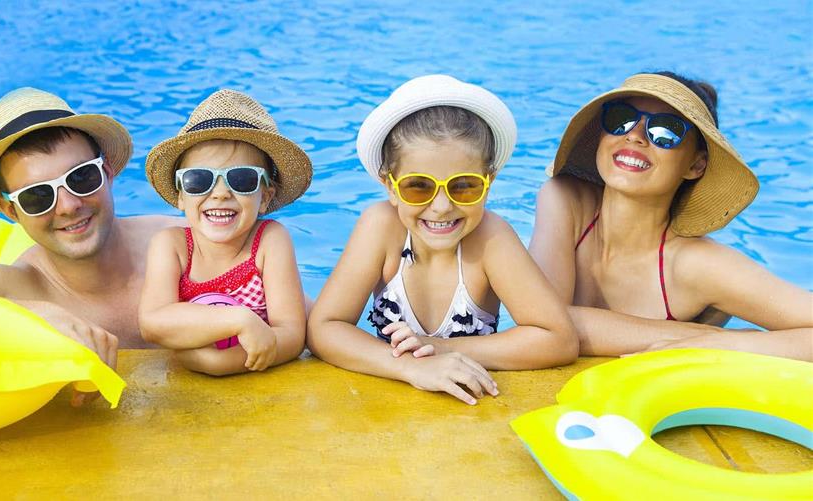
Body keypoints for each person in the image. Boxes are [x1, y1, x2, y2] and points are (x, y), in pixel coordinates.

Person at [307, 75, 578, 405]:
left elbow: (558, 339)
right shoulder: (380, 228)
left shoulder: (491, 239)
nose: (441, 207)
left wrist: (440, 348)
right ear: (390, 186)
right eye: (417, 186)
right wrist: (411, 367)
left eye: (464, 186)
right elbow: (325, 328)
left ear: (489, 182)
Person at [529, 71, 813, 361]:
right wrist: (700, 335)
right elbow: (540, 320)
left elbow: (552, 324)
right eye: (620, 119)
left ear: (696, 166)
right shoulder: (564, 199)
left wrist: (724, 346)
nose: (635, 136)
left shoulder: (697, 265)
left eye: (666, 132)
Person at [0, 88, 180, 398]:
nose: (68, 205)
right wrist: (37, 314)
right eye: (37, 196)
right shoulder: (12, 288)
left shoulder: (183, 243)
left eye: (81, 177)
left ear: (108, 173)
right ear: (12, 211)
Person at [138, 89, 311, 376]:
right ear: (181, 195)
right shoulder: (172, 246)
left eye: (242, 179)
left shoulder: (269, 241)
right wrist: (238, 320)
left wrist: (219, 363)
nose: (219, 194)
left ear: (265, 197)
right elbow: (153, 322)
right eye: (199, 180)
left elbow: (292, 336)